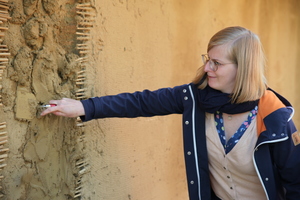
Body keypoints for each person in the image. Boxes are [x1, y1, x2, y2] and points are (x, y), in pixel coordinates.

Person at [41, 26, 300, 200]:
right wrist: (85, 107)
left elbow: (296, 182)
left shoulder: (275, 118)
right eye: (206, 58)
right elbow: (143, 102)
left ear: (242, 68)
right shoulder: (197, 97)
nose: (207, 67)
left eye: (216, 63)